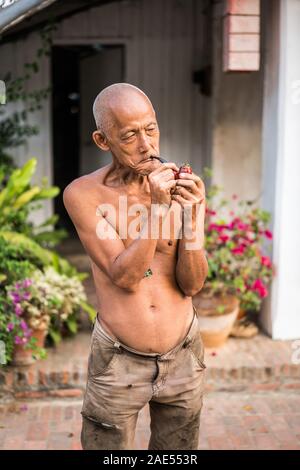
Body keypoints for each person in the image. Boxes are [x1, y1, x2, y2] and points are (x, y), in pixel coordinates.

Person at [63, 83, 208, 450]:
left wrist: (192, 219)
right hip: (118, 361)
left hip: (184, 352)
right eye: (129, 135)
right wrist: (159, 211)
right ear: (102, 140)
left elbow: (192, 285)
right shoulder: (84, 194)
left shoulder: (182, 187)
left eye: (151, 129)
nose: (146, 145)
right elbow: (125, 277)